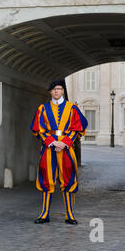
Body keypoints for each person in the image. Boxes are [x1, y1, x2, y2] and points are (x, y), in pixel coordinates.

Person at [30, 80, 88, 225]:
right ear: (50, 92)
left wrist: (65, 143)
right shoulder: (42, 108)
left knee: (68, 179)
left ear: (63, 91)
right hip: (49, 148)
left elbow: (78, 128)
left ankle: (69, 215)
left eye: (59, 89)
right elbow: (38, 129)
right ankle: (44, 214)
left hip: (66, 149)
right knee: (47, 179)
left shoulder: (72, 108)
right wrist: (52, 142)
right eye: (54, 89)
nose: (56, 91)